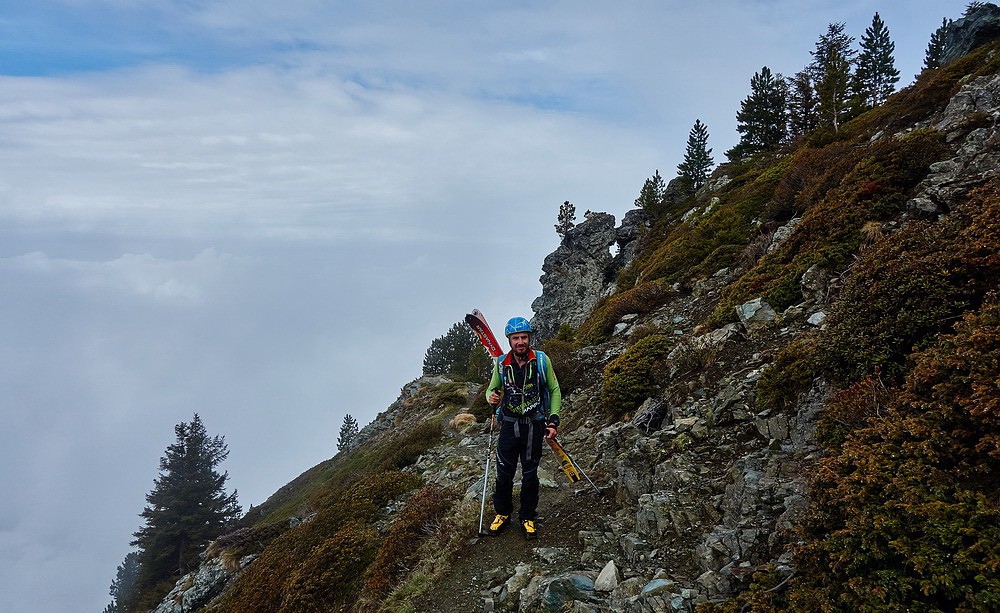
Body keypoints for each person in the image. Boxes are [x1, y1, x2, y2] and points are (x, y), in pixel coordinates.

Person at [485, 316, 561, 540]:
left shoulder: (541, 360)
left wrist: (553, 420)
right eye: (516, 338)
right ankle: (502, 513)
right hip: (509, 426)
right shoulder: (500, 364)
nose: (520, 342)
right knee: (503, 474)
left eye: (524, 337)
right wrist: (492, 397)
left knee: (530, 475)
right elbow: (491, 390)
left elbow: (554, 390)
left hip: (533, 425)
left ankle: (527, 516)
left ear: (529, 338)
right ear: (509, 340)